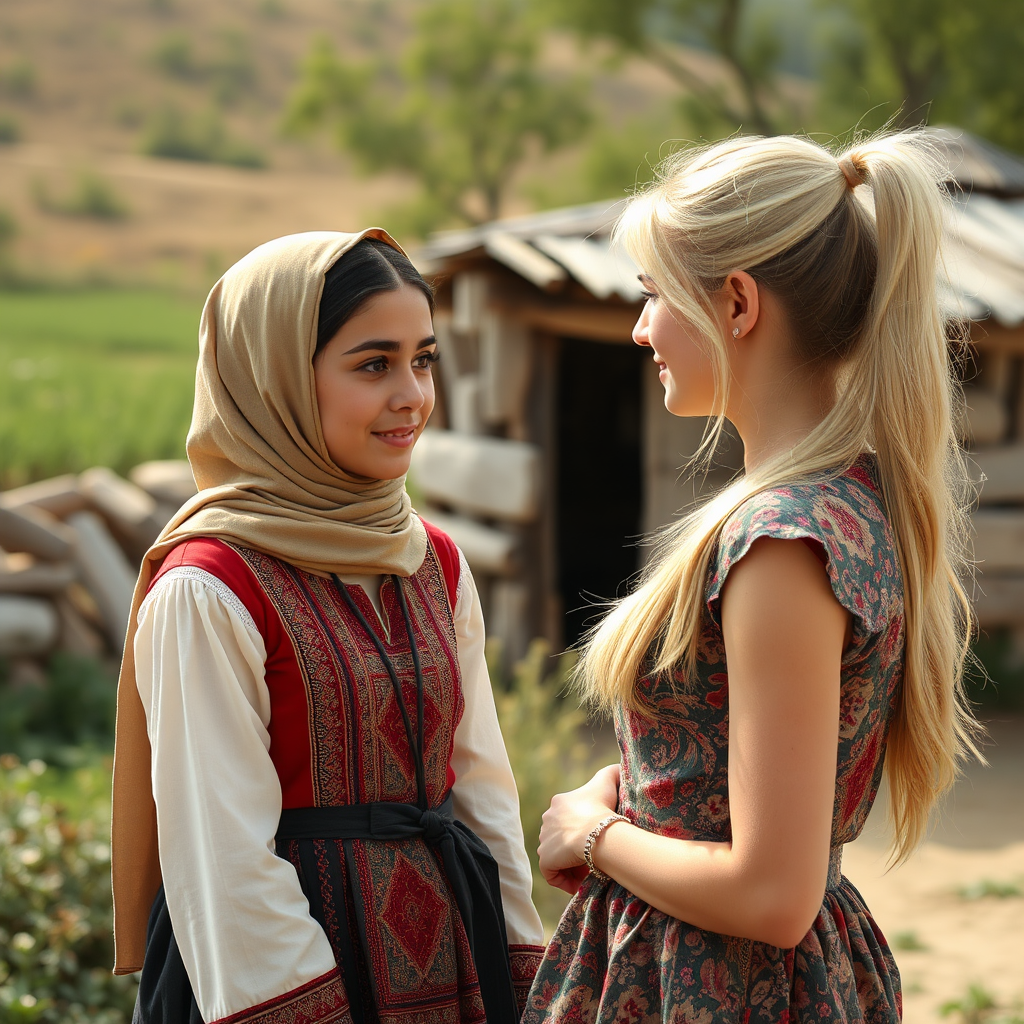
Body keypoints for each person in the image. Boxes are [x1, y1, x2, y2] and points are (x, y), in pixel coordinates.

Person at [524, 133, 981, 1022]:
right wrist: (623, 790)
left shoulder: (779, 543)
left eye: (655, 294)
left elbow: (772, 891)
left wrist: (597, 838)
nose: (639, 326)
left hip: (721, 987)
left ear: (737, 302)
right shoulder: (844, 503)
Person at [109, 230, 545, 1024]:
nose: (412, 394)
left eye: (424, 358)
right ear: (273, 378)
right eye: (373, 364)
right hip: (283, 978)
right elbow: (226, 862)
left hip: (456, 956)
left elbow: (482, 788)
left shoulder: (432, 562)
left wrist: (526, 970)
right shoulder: (208, 589)